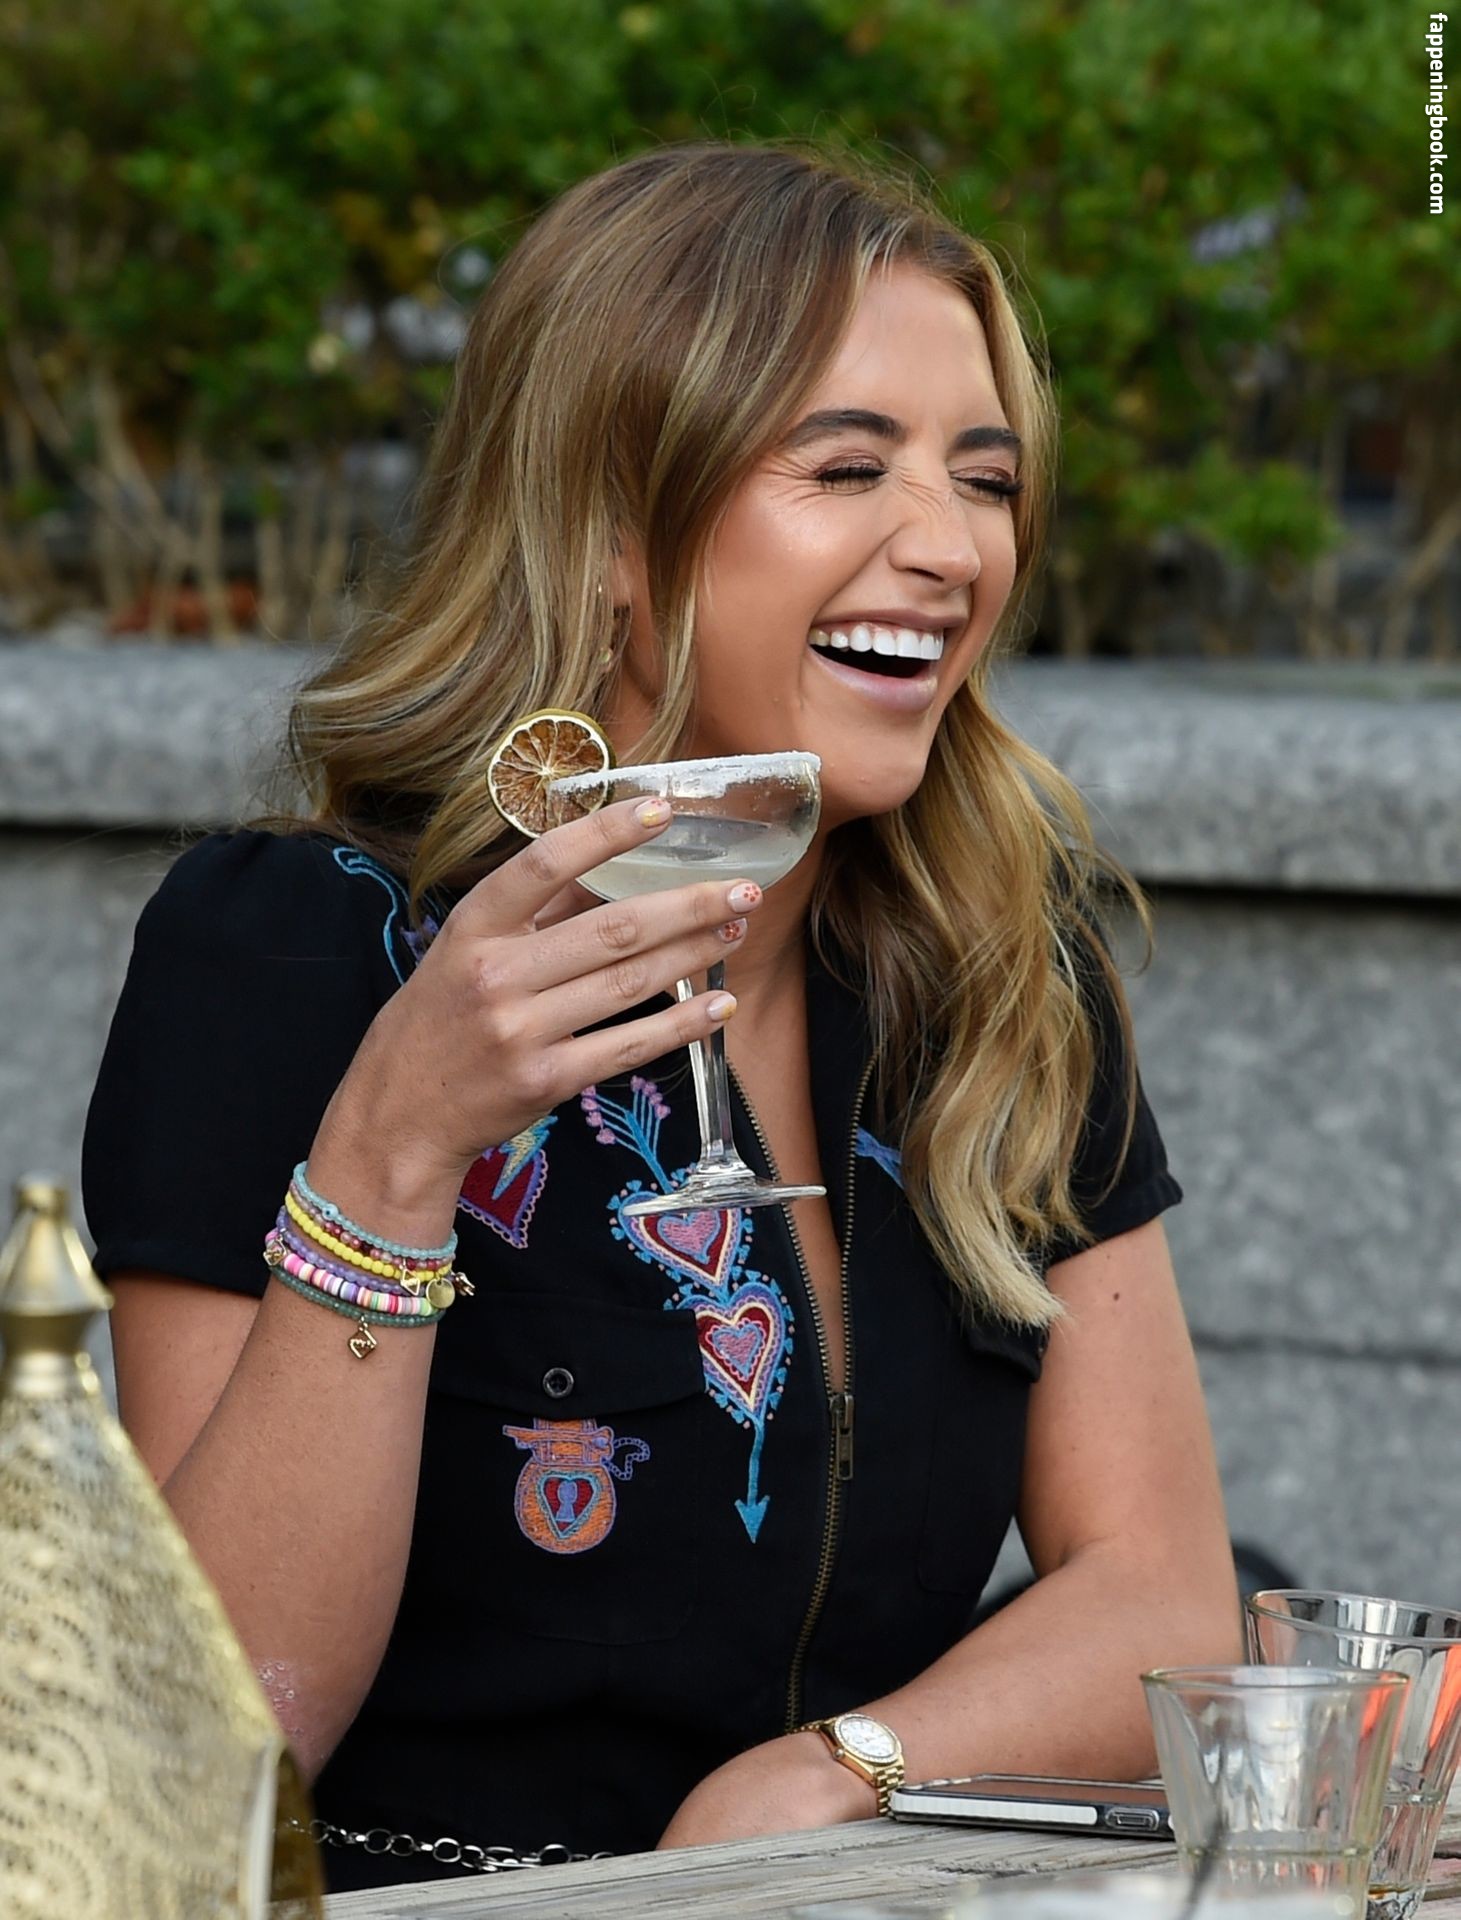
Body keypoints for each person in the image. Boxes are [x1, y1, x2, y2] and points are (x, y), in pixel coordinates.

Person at [82, 143, 1238, 1894]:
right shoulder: (300, 947)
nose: (947, 549)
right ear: (610, 532)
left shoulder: (993, 969)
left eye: (983, 479)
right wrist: (391, 1157)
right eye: (843, 466)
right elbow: (212, 1743)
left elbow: (1162, 1594)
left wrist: (833, 1778)